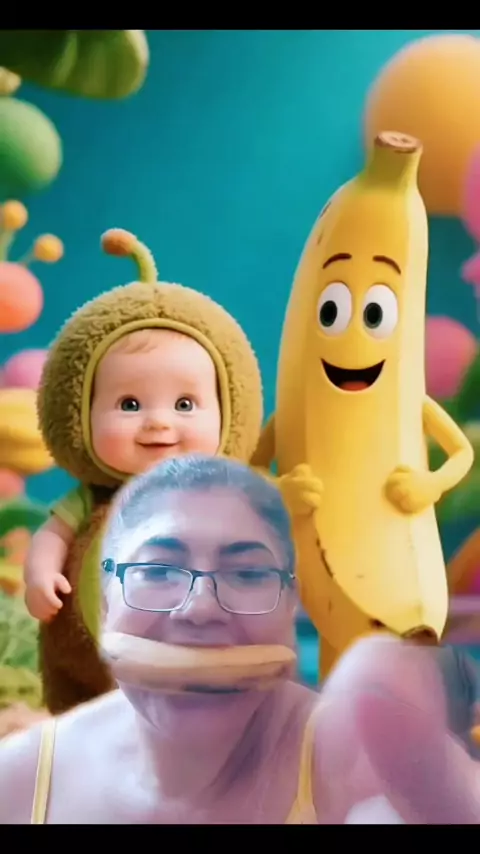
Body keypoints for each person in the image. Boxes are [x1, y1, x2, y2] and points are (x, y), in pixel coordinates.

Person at [2, 454, 480, 824]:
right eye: (159, 570)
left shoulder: (354, 759)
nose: (200, 608)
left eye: (247, 573)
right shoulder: (25, 776)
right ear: (106, 598)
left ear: (291, 603)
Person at [22, 227, 265, 715]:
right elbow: (53, 535)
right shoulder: (92, 499)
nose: (159, 422)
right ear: (79, 415)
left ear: (229, 412)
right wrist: (40, 576)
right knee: (79, 719)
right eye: (130, 404)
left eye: (185, 404)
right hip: (91, 663)